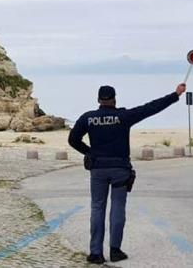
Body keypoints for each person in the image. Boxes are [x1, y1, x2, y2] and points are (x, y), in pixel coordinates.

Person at [68, 83, 186, 264]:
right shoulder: (123, 116)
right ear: (114, 99)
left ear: (98, 100)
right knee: (118, 207)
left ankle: (96, 253)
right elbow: (150, 108)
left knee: (97, 207)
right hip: (120, 169)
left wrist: (90, 152)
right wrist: (175, 94)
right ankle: (115, 251)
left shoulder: (88, 118)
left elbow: (73, 139)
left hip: (98, 169)